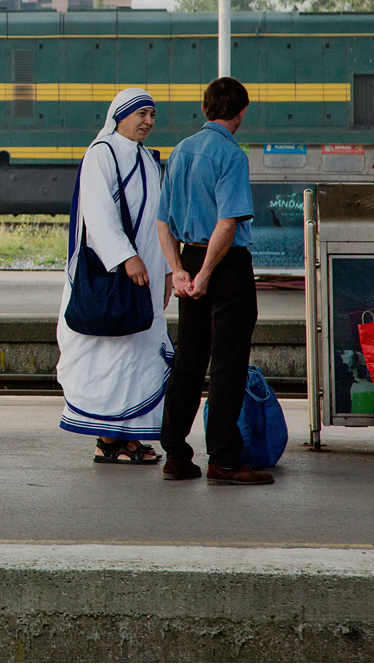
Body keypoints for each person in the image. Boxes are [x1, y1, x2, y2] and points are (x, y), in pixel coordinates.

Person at [157, 77, 273, 485]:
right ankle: (224, 458)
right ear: (240, 113)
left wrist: (180, 271)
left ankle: (175, 454)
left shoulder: (181, 151)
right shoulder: (231, 155)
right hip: (225, 266)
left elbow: (162, 221)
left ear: (206, 110)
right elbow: (227, 223)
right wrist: (206, 274)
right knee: (227, 363)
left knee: (188, 357)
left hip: (188, 256)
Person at [56, 88, 174, 464]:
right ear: (119, 115)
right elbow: (98, 214)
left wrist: (169, 269)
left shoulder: (147, 159)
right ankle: (109, 439)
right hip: (120, 277)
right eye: (141, 114)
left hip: (147, 279)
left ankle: (129, 437)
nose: (148, 122)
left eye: (153, 116)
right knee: (112, 356)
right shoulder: (101, 154)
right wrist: (126, 258)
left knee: (138, 356)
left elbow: (160, 221)